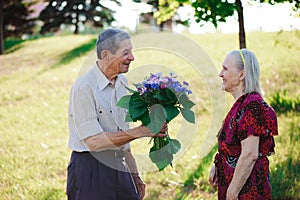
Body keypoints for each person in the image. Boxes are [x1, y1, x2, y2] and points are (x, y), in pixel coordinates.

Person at [66, 28, 167, 200]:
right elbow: (94, 142)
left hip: (119, 166)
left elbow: (124, 139)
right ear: (106, 55)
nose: (132, 58)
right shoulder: (84, 87)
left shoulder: (122, 83)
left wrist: (134, 175)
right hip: (89, 170)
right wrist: (142, 131)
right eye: (126, 53)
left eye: (132, 52)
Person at [208, 49, 278, 200]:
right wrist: (217, 165)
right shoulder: (242, 104)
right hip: (236, 185)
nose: (220, 74)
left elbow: (250, 154)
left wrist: (232, 193)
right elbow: (235, 147)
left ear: (242, 74)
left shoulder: (252, 106)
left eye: (225, 69)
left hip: (247, 190)